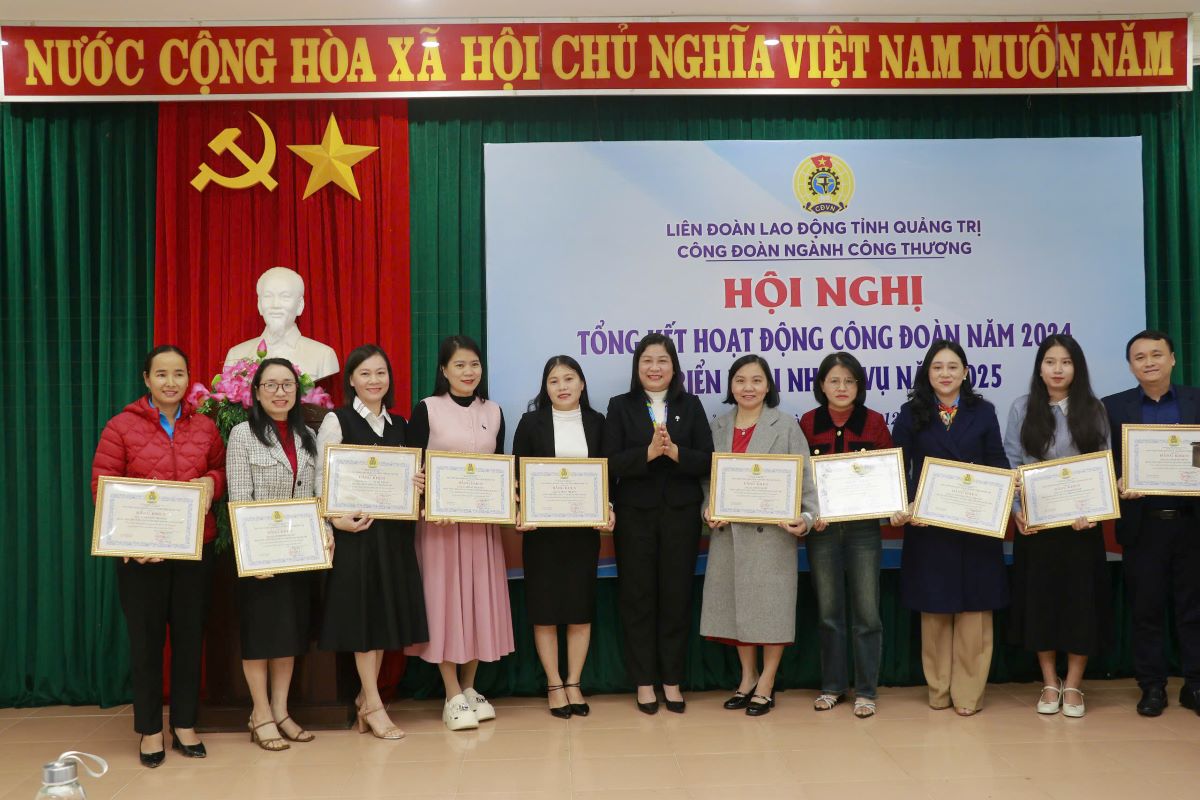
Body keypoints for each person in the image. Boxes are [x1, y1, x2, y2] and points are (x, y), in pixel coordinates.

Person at [91, 345, 225, 767]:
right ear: (146, 379)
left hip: (194, 549)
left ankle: (184, 724)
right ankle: (150, 729)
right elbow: (102, 487)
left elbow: (220, 472)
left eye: (179, 374)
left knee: (189, 639)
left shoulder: (205, 426)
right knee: (146, 643)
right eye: (162, 374)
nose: (171, 382)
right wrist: (130, 543)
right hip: (140, 557)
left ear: (189, 379)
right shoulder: (121, 426)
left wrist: (210, 482)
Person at [315, 345, 429, 739]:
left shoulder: (400, 424)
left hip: (394, 537)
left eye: (381, 373)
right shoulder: (338, 420)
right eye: (365, 373)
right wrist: (333, 520)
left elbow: (410, 477)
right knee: (363, 621)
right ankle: (375, 704)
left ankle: (366, 702)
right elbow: (321, 478)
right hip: (357, 536)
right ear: (351, 379)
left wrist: (418, 483)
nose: (374, 381)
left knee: (380, 620)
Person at [892, 339, 1009, 716]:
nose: (945, 373)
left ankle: (969, 695)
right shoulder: (911, 414)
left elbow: (997, 462)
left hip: (975, 525)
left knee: (974, 613)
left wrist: (1004, 490)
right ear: (928, 372)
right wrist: (906, 503)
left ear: (965, 372)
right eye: (938, 367)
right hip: (929, 526)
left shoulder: (984, 412)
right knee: (935, 610)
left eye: (953, 366)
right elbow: (899, 468)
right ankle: (939, 690)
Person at [405, 335, 515, 731]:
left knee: (478, 603)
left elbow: (502, 468)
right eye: (460, 366)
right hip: (439, 531)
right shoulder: (428, 409)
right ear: (444, 370)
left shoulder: (496, 411)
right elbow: (411, 469)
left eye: (474, 365)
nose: (469, 372)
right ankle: (450, 693)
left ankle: (470, 688)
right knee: (446, 604)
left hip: (481, 529)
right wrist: (421, 491)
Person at [604, 333, 714, 714]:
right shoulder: (620, 407)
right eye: (647, 360)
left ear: (674, 366)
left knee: (675, 597)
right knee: (638, 599)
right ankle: (644, 682)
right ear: (637, 367)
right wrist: (648, 454)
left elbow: (708, 460)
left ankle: (672, 680)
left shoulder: (692, 405)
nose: (655, 367)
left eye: (662, 360)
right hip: (635, 516)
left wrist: (676, 452)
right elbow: (610, 463)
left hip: (681, 517)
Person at [1004, 334, 1112, 718]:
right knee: (1041, 603)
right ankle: (1050, 681)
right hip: (1037, 527)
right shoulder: (1022, 408)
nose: (1057, 369)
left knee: (1080, 603)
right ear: (1039, 367)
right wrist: (1018, 509)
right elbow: (1012, 463)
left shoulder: (1093, 409)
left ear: (1076, 367)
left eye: (1065, 362)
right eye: (1050, 361)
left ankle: (1075, 685)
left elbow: (1103, 462)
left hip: (1081, 527)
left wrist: (1095, 512)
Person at [700, 354, 814, 717]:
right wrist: (708, 509)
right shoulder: (718, 426)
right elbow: (709, 481)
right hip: (730, 536)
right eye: (740, 380)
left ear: (768, 386)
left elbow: (806, 482)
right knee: (738, 611)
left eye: (756, 380)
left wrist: (807, 518)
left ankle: (767, 682)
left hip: (772, 538)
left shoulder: (786, 426)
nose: (748, 388)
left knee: (770, 611)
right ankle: (747, 678)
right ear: (731, 386)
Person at [226, 357, 327, 751]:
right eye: (271, 385)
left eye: (287, 385)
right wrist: (253, 557)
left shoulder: (308, 437)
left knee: (289, 636)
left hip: (298, 554)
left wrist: (324, 534)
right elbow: (238, 498)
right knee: (259, 638)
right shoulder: (241, 435)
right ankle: (260, 713)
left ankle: (282, 711)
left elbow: (317, 494)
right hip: (260, 559)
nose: (280, 392)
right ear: (256, 392)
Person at [1103, 329, 1200, 717]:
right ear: (1130, 366)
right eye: (1139, 357)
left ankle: (1194, 684)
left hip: (1191, 523)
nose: (1149, 362)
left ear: (1173, 359)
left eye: (1156, 355)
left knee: (1193, 608)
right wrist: (1117, 481)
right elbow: (1101, 462)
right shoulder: (1113, 407)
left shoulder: (1196, 402)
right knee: (1146, 608)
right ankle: (1152, 686)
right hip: (1142, 525)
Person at [512, 355, 614, 718]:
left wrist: (608, 508)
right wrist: (520, 509)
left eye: (569, 379)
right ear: (546, 388)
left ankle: (574, 682)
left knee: (578, 609)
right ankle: (554, 684)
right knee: (545, 610)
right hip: (542, 533)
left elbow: (607, 474)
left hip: (582, 532)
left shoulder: (597, 422)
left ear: (582, 384)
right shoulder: (530, 423)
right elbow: (517, 476)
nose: (563, 386)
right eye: (554, 381)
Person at [799, 351, 899, 718]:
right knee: (828, 612)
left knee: (867, 612)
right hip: (822, 531)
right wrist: (810, 513)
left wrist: (895, 507)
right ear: (821, 385)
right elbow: (801, 480)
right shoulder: (808, 423)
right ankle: (833, 686)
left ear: (860, 385)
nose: (842, 388)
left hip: (863, 531)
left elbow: (889, 475)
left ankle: (867, 690)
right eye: (834, 381)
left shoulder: (873, 423)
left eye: (849, 381)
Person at [224, 266, 339, 379]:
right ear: (259, 304)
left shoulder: (323, 356)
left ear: (300, 305)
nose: (275, 305)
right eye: (268, 296)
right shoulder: (237, 355)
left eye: (285, 296)